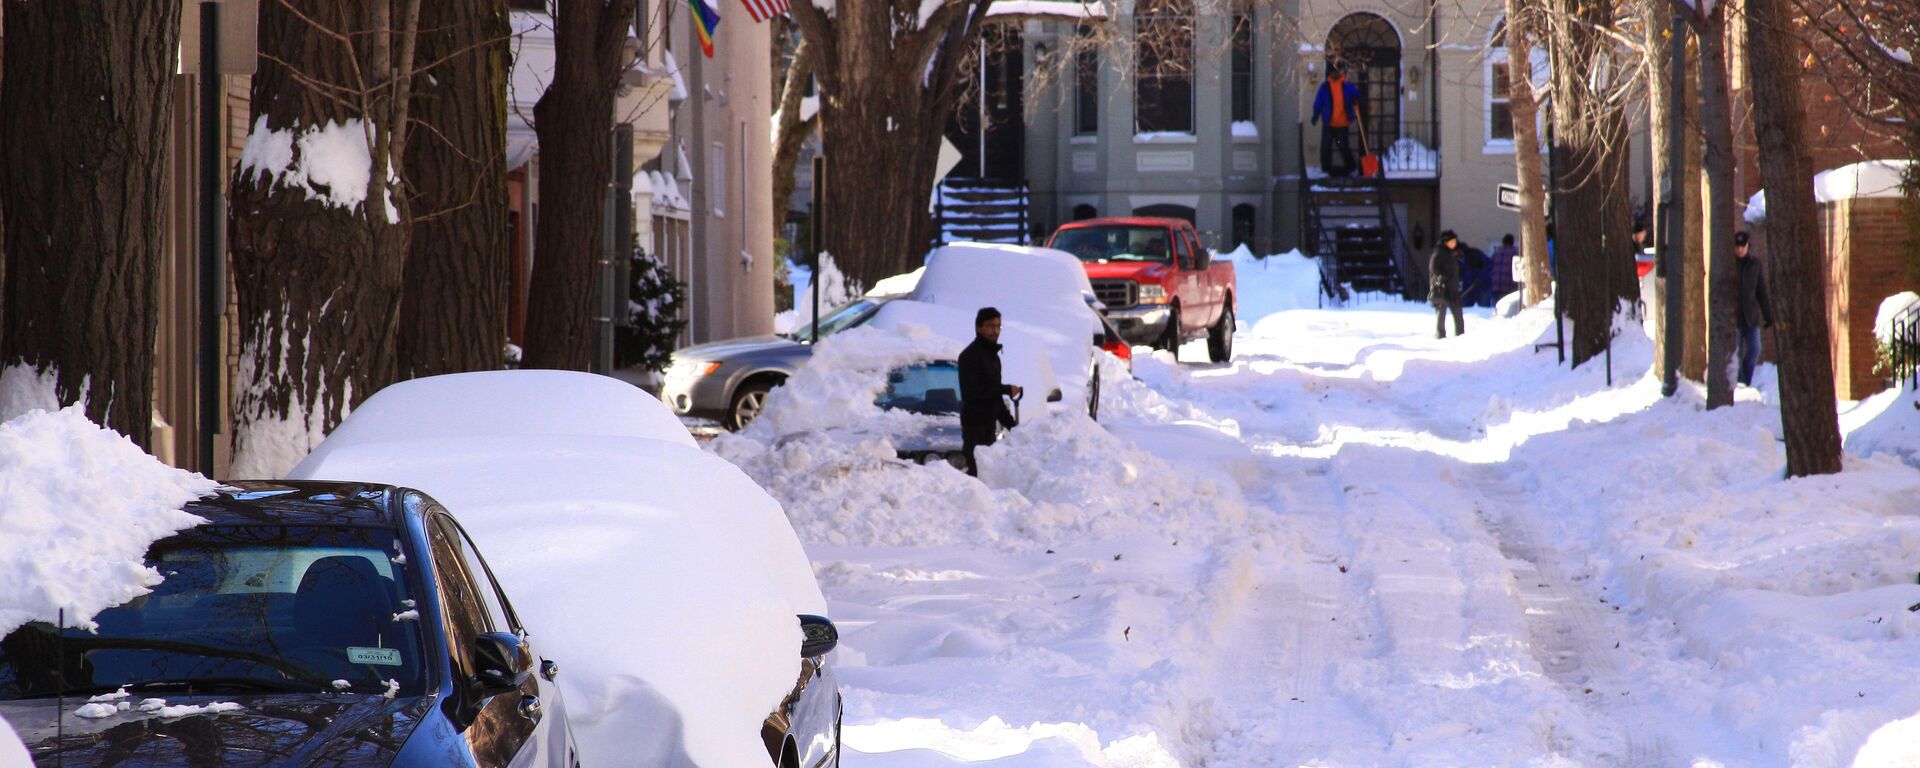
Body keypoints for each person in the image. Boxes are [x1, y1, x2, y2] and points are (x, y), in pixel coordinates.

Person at [958, 307, 1022, 476]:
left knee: (988, 473)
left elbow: (994, 396)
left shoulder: (993, 356)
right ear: (979, 327)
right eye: (990, 326)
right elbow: (972, 392)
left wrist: (1010, 424)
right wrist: (1006, 389)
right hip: (974, 425)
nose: (995, 330)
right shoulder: (969, 356)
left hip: (989, 426)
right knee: (975, 473)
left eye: (998, 326)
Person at [1734, 231, 1775, 386]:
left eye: (1742, 246)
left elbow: (1761, 292)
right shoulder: (1729, 265)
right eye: (1737, 246)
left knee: (1755, 349)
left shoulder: (1754, 265)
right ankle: (1742, 383)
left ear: (1748, 246)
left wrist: (1768, 315)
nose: (1739, 249)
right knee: (1735, 354)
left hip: (1751, 317)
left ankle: (1745, 381)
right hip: (1734, 318)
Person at [1310, 66, 1362, 178]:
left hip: (1342, 124)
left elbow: (1356, 95)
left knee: (1342, 145)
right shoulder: (1325, 87)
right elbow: (1319, 102)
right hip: (1329, 123)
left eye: (1336, 72)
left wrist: (1355, 100)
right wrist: (1315, 115)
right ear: (1329, 74)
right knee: (1326, 146)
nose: (1335, 74)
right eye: (1332, 72)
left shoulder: (1345, 85)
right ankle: (1326, 169)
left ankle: (1351, 168)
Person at [1429, 230, 1466, 338]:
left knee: (1458, 313)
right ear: (1446, 242)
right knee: (1441, 312)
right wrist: (1441, 279)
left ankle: (1460, 335)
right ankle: (1440, 335)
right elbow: (1433, 269)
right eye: (1452, 241)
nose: (1455, 243)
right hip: (1442, 288)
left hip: (1452, 288)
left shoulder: (1450, 253)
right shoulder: (1439, 253)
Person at [1489, 234, 1518, 299]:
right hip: (1509, 286)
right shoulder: (1515, 253)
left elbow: (1490, 266)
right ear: (1512, 243)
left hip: (1496, 284)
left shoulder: (1497, 253)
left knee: (1496, 306)